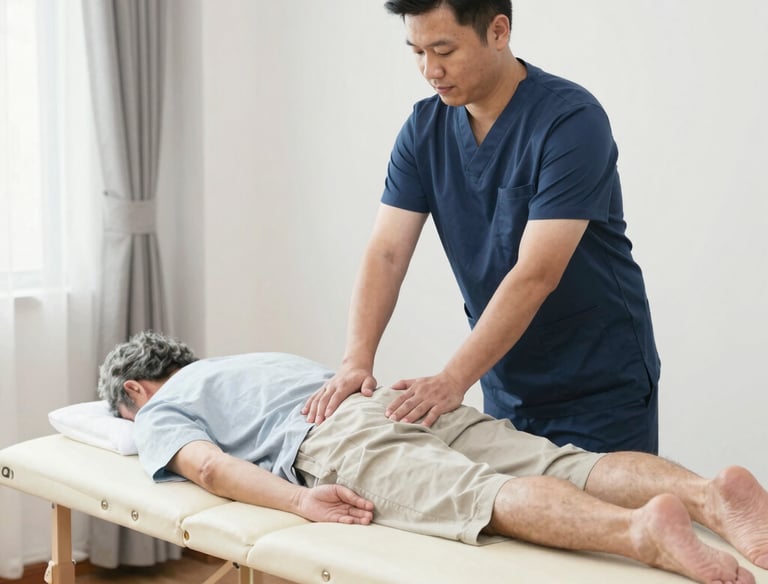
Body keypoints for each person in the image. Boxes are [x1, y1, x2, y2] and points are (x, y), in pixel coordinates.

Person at [99, 331, 767, 584]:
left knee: (478, 495)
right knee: (559, 460)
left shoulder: (158, 407)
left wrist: (303, 499)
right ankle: (710, 493)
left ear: (134, 388)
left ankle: (640, 534)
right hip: (396, 399)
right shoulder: (249, 361)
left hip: (332, 438)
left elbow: (209, 468)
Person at [303, 0, 661, 454]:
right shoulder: (423, 130)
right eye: (416, 52)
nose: (431, 70)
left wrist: (452, 380)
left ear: (498, 31)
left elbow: (537, 273)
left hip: (599, 385)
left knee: (621, 520)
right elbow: (387, 252)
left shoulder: (572, 123)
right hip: (506, 381)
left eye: (444, 50)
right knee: (525, 518)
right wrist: (356, 360)